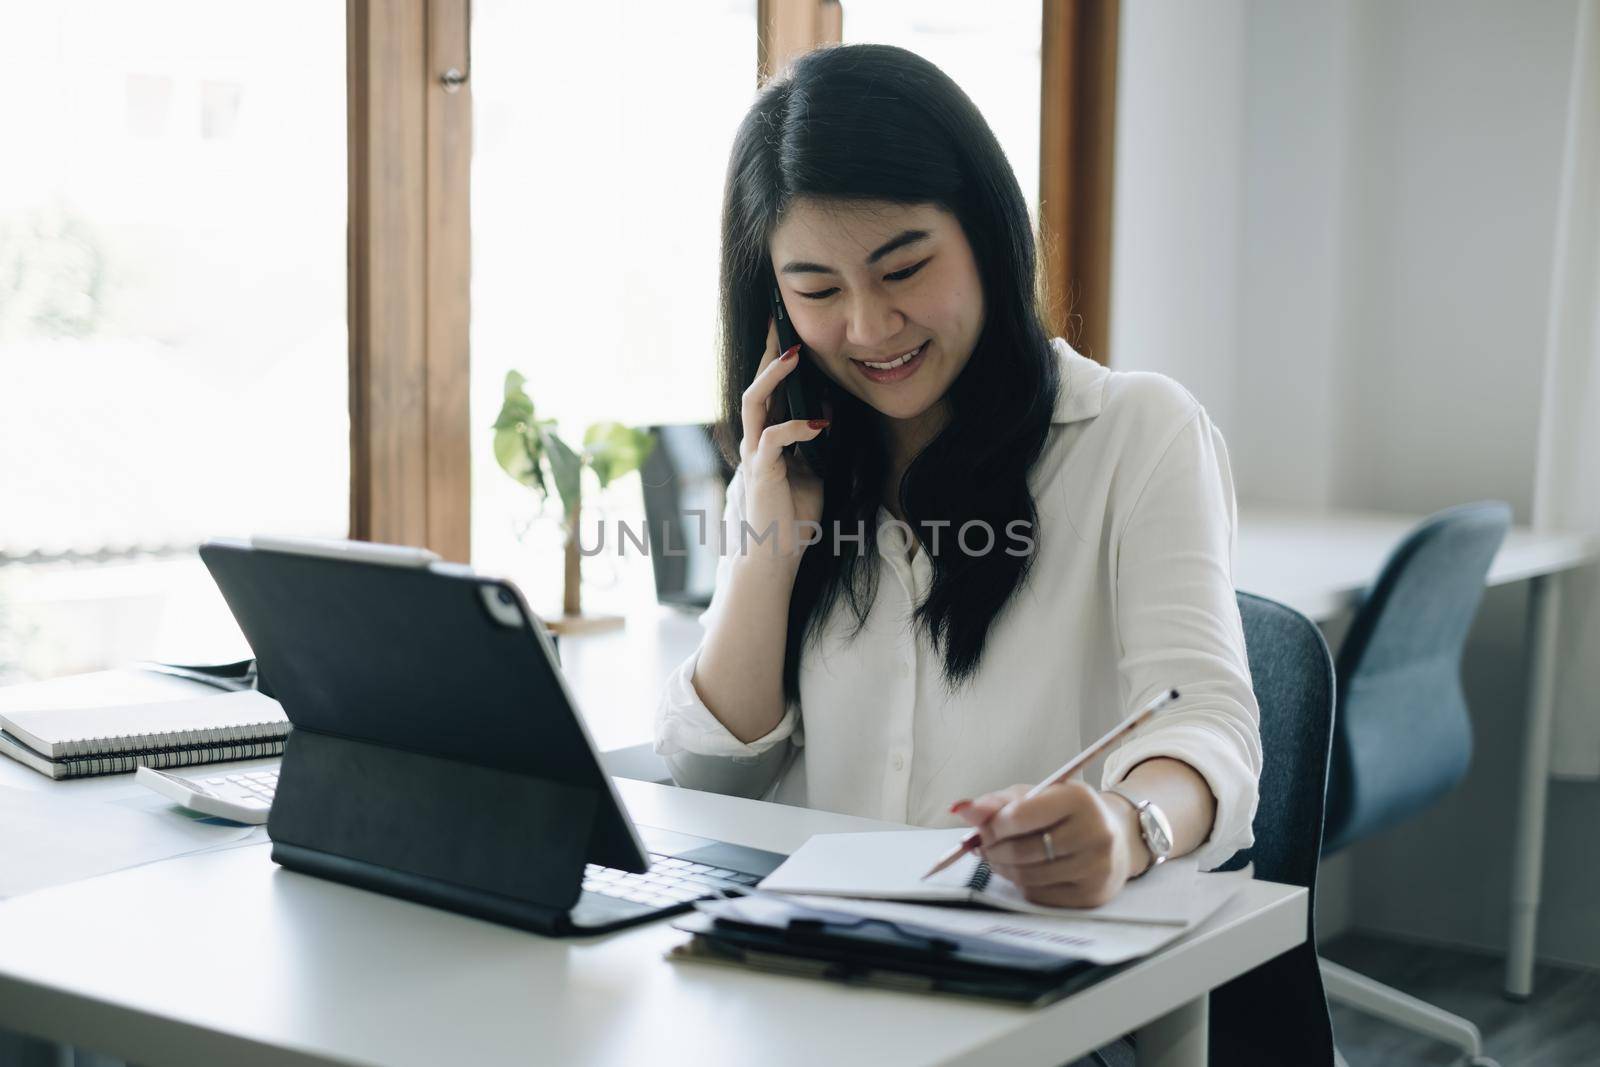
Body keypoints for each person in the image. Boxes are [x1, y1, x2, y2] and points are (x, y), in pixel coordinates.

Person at [654, 43, 1261, 916]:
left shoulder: (1137, 433)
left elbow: (1209, 724)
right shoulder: (790, 469)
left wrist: (1130, 827)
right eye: (818, 289)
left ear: (984, 234)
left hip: (1038, 967)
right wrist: (764, 554)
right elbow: (710, 777)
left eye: (903, 270)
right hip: (811, 962)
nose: (869, 326)